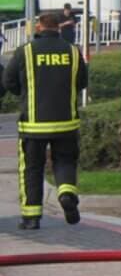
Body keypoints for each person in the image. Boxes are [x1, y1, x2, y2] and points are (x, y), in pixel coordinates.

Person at [3, 12, 88, 230]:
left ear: (39, 27)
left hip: (33, 124)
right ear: (59, 27)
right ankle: (67, 193)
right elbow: (82, 82)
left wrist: (25, 95)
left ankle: (31, 218)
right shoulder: (73, 51)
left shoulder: (26, 51)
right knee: (66, 161)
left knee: (31, 168)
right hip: (66, 122)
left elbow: (8, 80)